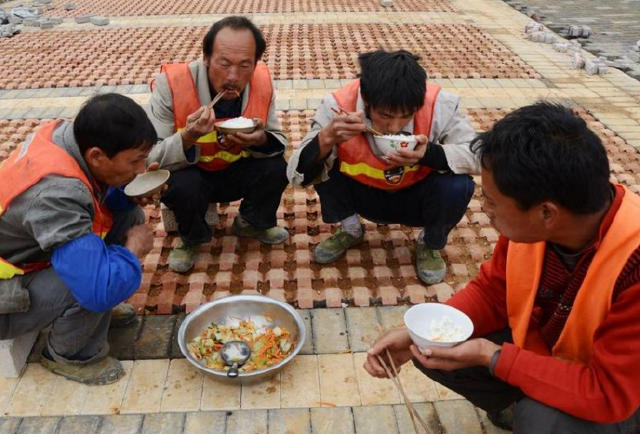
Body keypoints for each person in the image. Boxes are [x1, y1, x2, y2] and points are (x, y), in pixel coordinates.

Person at [365, 102, 640, 433]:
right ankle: (521, 401)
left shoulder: (633, 265)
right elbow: (494, 292)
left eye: (492, 202)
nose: (486, 210)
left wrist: (491, 356)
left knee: (544, 421)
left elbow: (607, 392)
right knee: (434, 347)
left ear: (547, 213)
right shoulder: (536, 228)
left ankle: (534, 409)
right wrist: (415, 334)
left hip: (620, 393)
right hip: (552, 349)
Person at [0, 94, 157, 385]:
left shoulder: (66, 138)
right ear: (97, 155)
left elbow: (92, 197)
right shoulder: (56, 194)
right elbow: (95, 287)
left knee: (128, 217)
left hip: (26, 255)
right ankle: (70, 354)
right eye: (135, 161)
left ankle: (87, 316)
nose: (141, 170)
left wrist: (125, 194)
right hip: (4, 293)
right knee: (91, 284)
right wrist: (133, 252)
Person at [287, 49, 478, 285]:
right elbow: (297, 176)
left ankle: (428, 244)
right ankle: (351, 230)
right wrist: (326, 138)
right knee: (322, 158)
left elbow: (479, 155)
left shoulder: (440, 104)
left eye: (406, 116)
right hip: (362, 197)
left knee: (459, 184)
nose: (394, 126)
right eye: (386, 115)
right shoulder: (338, 106)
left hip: (414, 200)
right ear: (366, 100)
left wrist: (430, 154)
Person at [148, 16, 289, 273]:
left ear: (256, 63)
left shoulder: (261, 82)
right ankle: (191, 237)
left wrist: (260, 140)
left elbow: (278, 139)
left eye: (245, 65)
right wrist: (187, 137)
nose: (233, 77)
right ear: (206, 57)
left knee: (277, 167)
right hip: (193, 174)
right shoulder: (171, 84)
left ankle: (251, 221)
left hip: (235, 170)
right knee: (180, 185)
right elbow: (150, 157)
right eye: (224, 63)